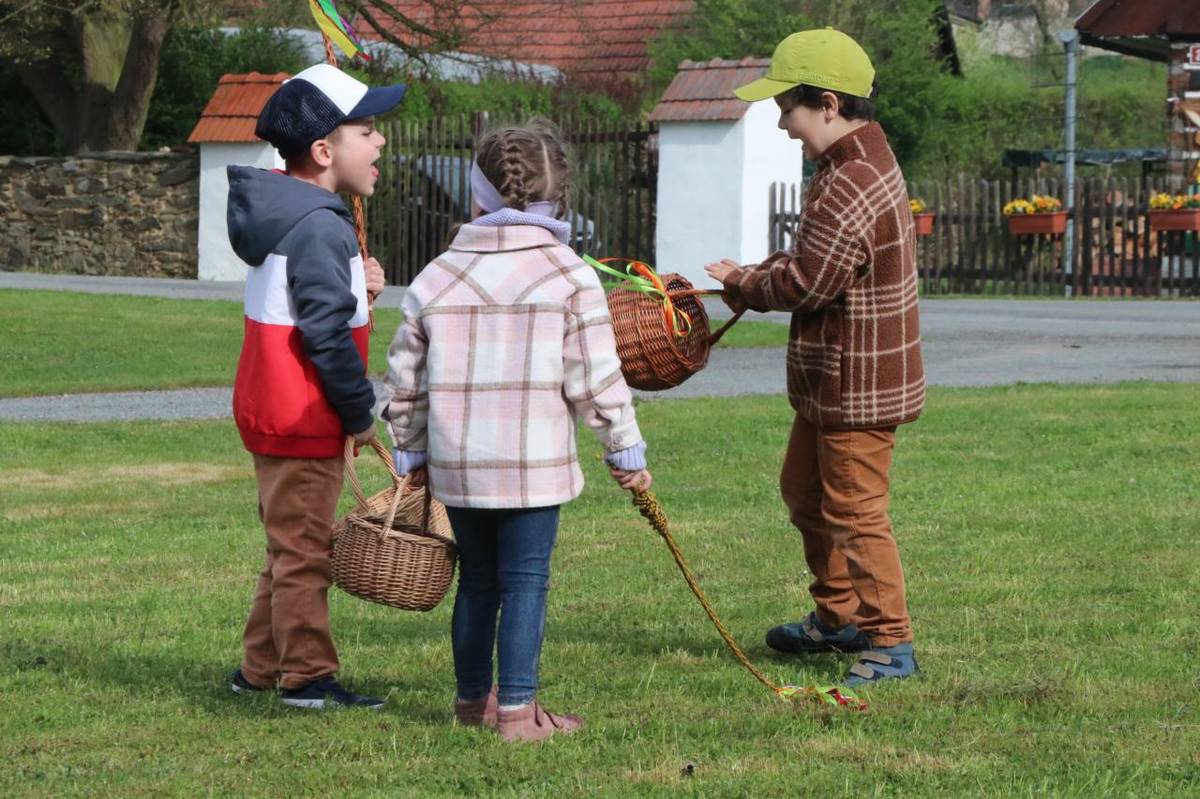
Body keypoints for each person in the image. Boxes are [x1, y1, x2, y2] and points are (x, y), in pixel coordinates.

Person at [383, 120, 652, 741]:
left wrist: (408, 446)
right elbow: (596, 375)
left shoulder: (436, 275)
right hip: (534, 463)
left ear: (477, 196)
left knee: (476, 579)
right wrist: (623, 446)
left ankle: (472, 700)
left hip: (460, 463)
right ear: (560, 199)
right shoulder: (569, 274)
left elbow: (406, 376)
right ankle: (518, 713)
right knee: (526, 579)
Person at [705, 29, 925, 686]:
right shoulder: (852, 166)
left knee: (855, 509)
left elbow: (808, 283)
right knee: (803, 491)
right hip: (835, 383)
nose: (781, 121)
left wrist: (744, 282)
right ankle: (838, 616)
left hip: (857, 387)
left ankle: (890, 642)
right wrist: (753, 273)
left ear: (828, 103)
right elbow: (815, 265)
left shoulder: (850, 183)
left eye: (787, 107)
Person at [225, 63, 406, 709]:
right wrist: (360, 412)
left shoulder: (295, 214)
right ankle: (307, 678)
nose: (380, 142)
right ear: (326, 151)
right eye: (367, 129)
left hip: (276, 408)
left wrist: (362, 285)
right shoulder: (319, 224)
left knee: (287, 546)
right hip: (303, 412)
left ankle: (258, 668)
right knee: (304, 551)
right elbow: (325, 336)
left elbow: (312, 305)